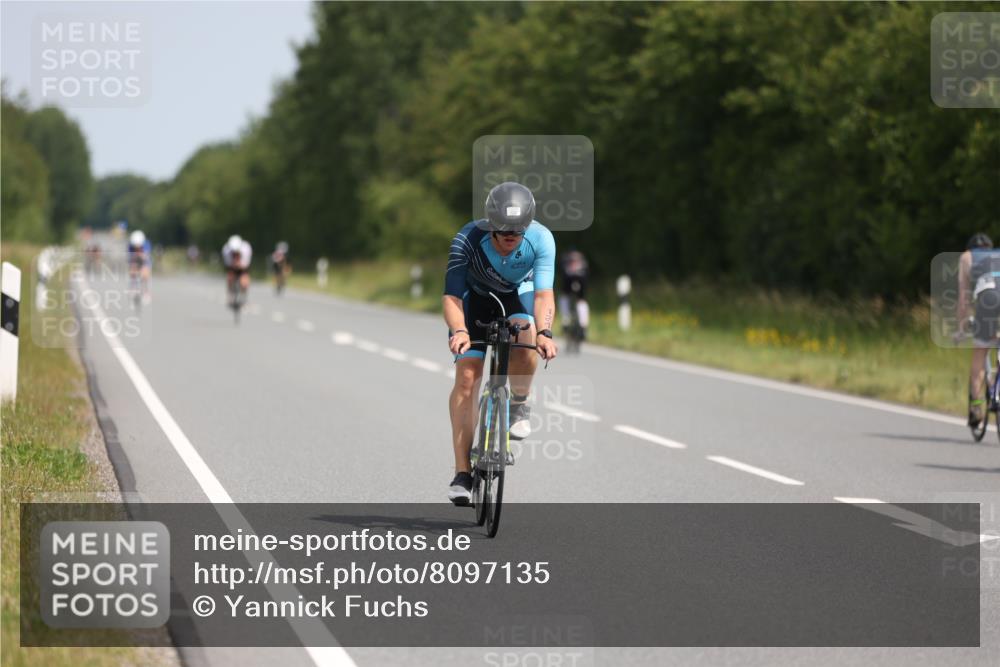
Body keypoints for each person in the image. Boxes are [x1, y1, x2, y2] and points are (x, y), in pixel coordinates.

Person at [443, 182, 558, 505]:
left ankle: (519, 402)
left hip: (517, 296)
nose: (510, 239)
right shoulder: (468, 238)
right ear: (491, 225)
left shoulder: (541, 239)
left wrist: (545, 333)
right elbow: (451, 296)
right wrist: (459, 331)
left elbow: (543, 294)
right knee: (467, 377)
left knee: (526, 335)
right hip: (474, 298)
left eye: (517, 233)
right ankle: (462, 473)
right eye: (503, 232)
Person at [958, 232, 1000, 427]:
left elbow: (964, 298)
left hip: (988, 299)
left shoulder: (966, 257)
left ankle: (976, 407)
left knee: (979, 357)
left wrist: (961, 327)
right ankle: (996, 388)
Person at [558, 248, 590, 340]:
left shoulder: (583, 267)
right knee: (564, 298)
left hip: (580, 289)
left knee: (582, 302)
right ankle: (565, 321)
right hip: (567, 288)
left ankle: (583, 326)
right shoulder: (565, 266)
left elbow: (585, 281)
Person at [221, 234, 253, 306]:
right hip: (231, 266)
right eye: (233, 252)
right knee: (230, 277)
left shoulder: (246, 249)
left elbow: (246, 265)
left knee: (244, 281)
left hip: (243, 266)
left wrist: (240, 265)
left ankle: (244, 295)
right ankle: (230, 294)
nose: (235, 253)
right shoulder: (226, 250)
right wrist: (233, 265)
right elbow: (227, 265)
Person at [126, 230, 152, 304]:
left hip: (144, 261)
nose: (137, 247)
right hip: (134, 260)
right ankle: (133, 287)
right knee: (132, 269)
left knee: (145, 274)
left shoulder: (146, 244)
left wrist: (141, 255)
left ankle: (146, 293)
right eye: (135, 246)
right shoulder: (130, 245)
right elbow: (130, 258)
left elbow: (146, 258)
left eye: (138, 246)